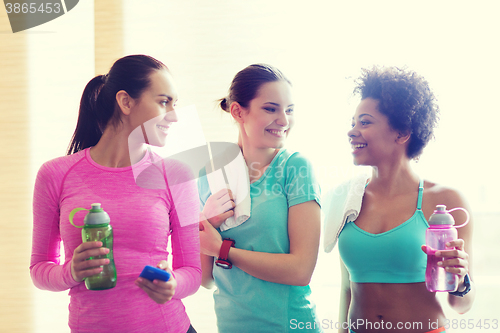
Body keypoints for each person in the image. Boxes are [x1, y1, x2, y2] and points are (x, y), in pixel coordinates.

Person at [30, 55, 201, 333]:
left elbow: (192, 271)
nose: (174, 115)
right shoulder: (56, 174)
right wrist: (70, 272)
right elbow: (40, 268)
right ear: (125, 102)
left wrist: (173, 285)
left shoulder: (177, 175)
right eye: (163, 101)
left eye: (174, 103)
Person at [324, 66, 475, 333]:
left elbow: (461, 305)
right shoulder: (347, 198)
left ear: (402, 132)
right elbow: (347, 288)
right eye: (353, 123)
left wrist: (461, 279)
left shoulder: (444, 200)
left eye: (365, 122)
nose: (352, 132)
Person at [198, 64, 322, 332]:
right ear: (237, 111)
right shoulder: (210, 175)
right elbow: (206, 279)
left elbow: (300, 271)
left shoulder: (295, 168)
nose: (284, 120)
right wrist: (207, 222)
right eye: (271, 108)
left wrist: (224, 250)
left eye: (289, 110)